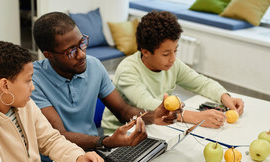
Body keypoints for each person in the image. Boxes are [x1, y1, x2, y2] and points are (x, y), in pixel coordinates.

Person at [31, 12, 178, 158]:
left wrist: (154, 116)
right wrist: (105, 141)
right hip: (57, 161)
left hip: (94, 153)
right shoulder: (33, 80)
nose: (81, 54)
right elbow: (59, 135)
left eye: (82, 43)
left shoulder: (94, 65)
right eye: (71, 51)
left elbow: (123, 111)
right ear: (48, 55)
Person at [101, 11, 244, 134]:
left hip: (154, 127)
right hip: (121, 134)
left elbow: (201, 83)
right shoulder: (128, 71)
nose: (173, 58)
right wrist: (196, 117)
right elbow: (148, 104)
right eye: (166, 54)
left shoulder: (172, 64)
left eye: (175, 50)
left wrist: (225, 97)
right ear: (145, 52)